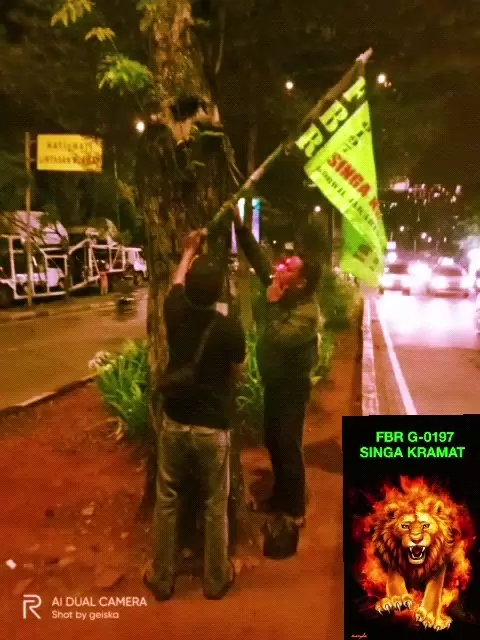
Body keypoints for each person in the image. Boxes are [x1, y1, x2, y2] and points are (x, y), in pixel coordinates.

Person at [144, 229, 246, 601]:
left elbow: (175, 282)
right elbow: (239, 367)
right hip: (212, 426)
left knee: (167, 498)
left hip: (175, 420)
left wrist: (188, 251)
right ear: (220, 291)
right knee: (215, 503)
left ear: (189, 288)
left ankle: (162, 578)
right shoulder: (228, 327)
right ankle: (215, 580)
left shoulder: (175, 311)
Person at [232, 208, 321, 528]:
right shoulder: (283, 288)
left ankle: (295, 510)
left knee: (288, 445)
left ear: (301, 282)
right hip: (275, 384)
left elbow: (276, 339)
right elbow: (259, 261)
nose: (280, 267)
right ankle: (280, 497)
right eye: (284, 264)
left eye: (289, 268)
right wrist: (241, 228)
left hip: (291, 389)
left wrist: (270, 305)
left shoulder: (307, 314)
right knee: (272, 440)